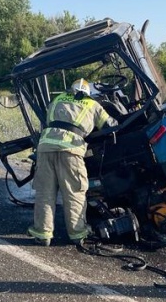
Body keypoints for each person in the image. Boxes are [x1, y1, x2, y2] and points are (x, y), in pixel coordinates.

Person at [27, 78, 116, 246]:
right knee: (74, 192)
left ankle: (42, 234)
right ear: (88, 93)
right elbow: (110, 125)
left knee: (45, 192)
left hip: (45, 148)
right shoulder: (92, 104)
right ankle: (77, 234)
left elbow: (49, 121)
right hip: (71, 150)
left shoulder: (58, 99)